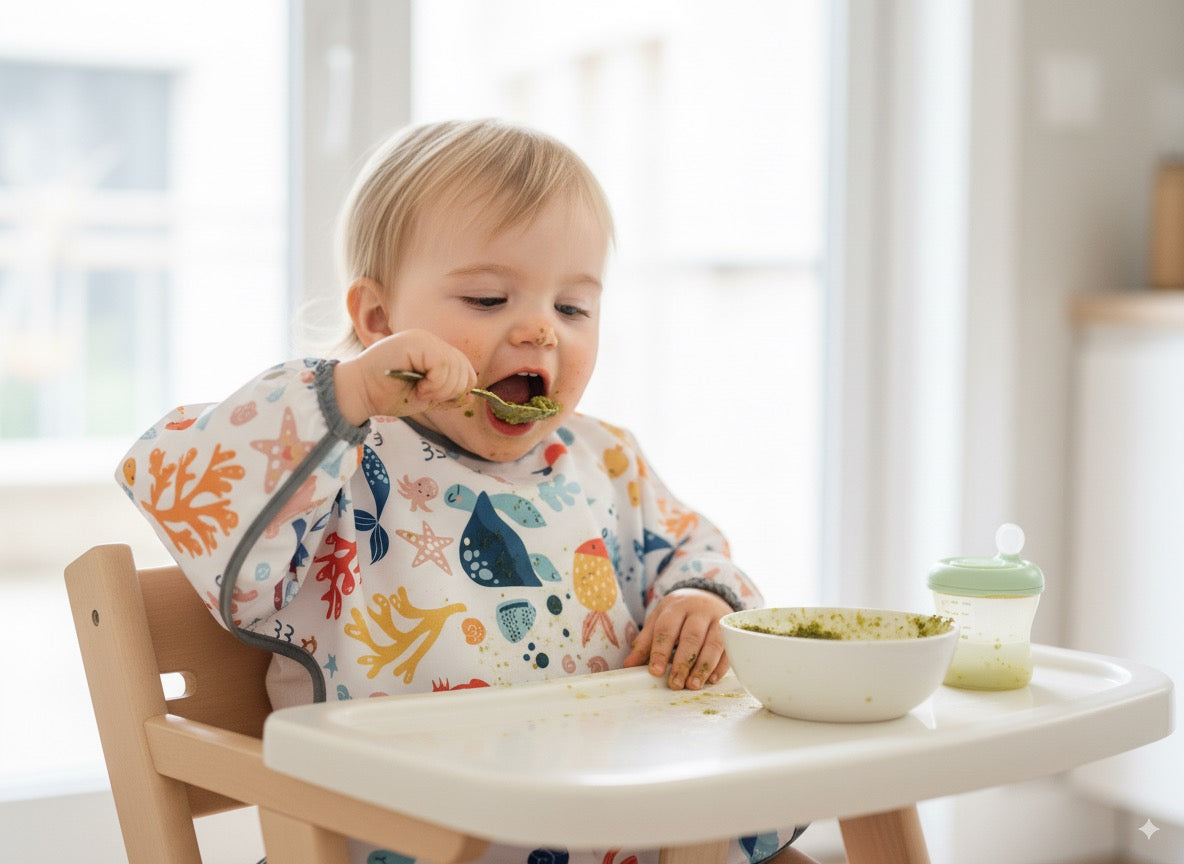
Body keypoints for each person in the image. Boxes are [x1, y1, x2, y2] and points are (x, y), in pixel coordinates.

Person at [117, 118, 809, 864]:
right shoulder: (343, 462)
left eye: (572, 308)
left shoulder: (606, 462)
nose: (542, 330)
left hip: (614, 832)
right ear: (380, 320)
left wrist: (704, 602)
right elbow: (188, 482)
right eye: (487, 299)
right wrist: (343, 394)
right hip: (406, 841)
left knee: (801, 785)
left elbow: (692, 549)